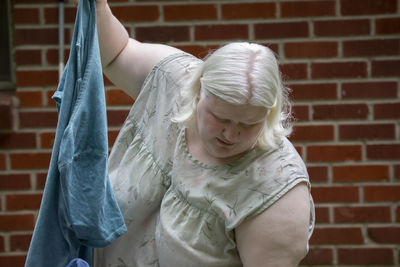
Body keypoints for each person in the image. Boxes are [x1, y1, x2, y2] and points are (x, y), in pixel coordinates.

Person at [94, 0, 315, 266]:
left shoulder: (276, 189)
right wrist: (97, 6)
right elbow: (116, 54)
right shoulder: (174, 83)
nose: (231, 134)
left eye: (248, 124)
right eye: (219, 118)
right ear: (198, 90)